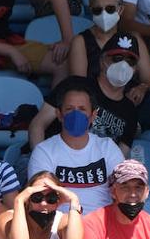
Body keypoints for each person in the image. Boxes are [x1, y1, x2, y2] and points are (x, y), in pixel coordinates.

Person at [28, 82, 124, 215]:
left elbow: (123, 190)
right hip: (60, 226)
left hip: (102, 226)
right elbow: (42, 200)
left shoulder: (107, 148)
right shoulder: (44, 151)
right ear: (59, 114)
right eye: (69, 109)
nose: (76, 114)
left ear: (93, 115)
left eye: (82, 109)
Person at [31, 53, 140, 154]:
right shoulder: (75, 84)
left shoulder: (131, 111)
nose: (123, 65)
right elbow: (38, 125)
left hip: (88, 171)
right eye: (117, 58)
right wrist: (41, 163)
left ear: (135, 69)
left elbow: (119, 158)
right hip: (48, 157)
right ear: (103, 61)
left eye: (130, 62)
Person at [68, 0, 150, 98]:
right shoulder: (80, 41)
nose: (104, 15)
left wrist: (141, 88)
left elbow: (149, 81)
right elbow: (79, 87)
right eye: (97, 10)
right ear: (91, 11)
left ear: (120, 10)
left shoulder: (134, 39)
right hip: (97, 105)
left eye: (110, 9)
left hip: (134, 102)